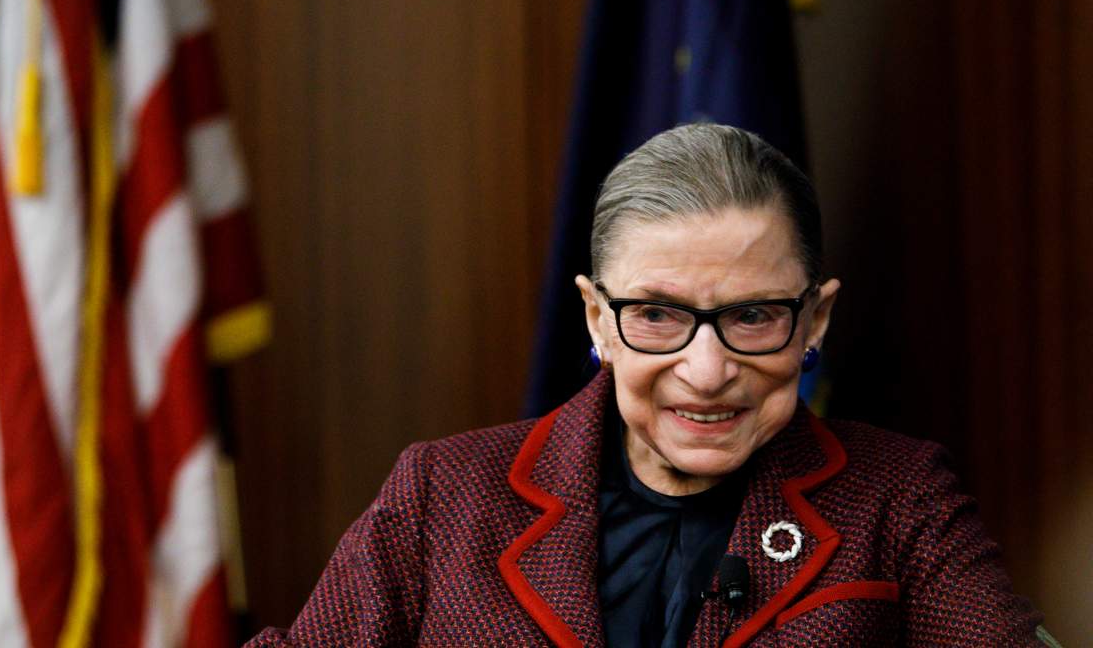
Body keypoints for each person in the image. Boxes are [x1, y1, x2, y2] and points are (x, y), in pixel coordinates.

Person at [247, 124, 1057, 647]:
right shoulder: (444, 494)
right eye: (658, 316)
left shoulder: (900, 500)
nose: (706, 373)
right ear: (597, 319)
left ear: (814, 320)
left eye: (753, 316)